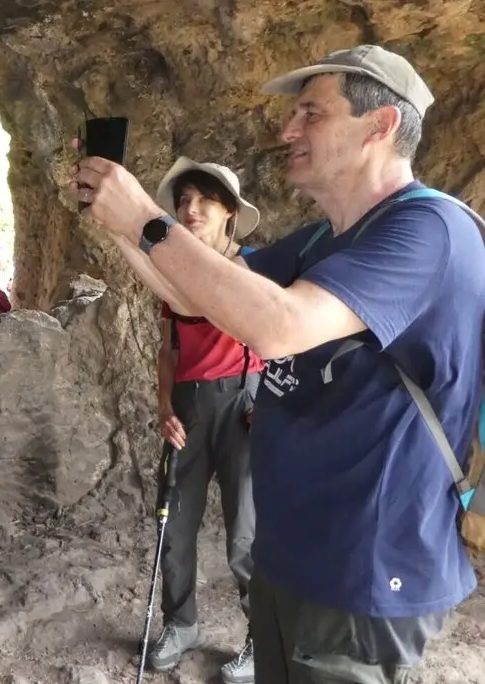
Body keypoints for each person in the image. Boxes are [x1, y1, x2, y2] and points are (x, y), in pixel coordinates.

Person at [75, 45, 484, 683]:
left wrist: (147, 220)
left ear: (380, 127)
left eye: (311, 114)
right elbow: (193, 295)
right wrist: (123, 225)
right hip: (291, 556)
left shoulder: (429, 230)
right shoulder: (323, 238)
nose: (287, 130)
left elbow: (277, 327)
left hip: (364, 572)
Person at [146, 158, 265, 684]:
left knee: (245, 533)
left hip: (245, 403)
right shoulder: (172, 273)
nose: (190, 210)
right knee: (174, 523)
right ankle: (182, 622)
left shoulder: (254, 267)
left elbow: (284, 338)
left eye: (204, 201)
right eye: (183, 200)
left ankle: (262, 637)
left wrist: (272, 404)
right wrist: (165, 408)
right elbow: (169, 351)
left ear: (229, 213)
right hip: (190, 407)